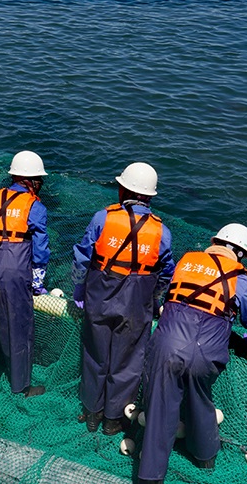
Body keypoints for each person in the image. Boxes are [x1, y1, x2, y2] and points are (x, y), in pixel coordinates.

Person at [137, 223, 247, 482]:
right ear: (241, 254)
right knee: (200, 400)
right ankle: (205, 457)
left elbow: (168, 297)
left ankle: (149, 476)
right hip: (205, 353)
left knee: (159, 408)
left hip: (165, 345)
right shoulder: (240, 279)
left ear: (215, 242)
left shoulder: (186, 263)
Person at [72, 162, 174, 435]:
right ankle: (114, 419)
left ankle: (92, 412)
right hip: (136, 304)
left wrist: (79, 292)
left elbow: (82, 259)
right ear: (150, 197)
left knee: (95, 355)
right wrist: (153, 299)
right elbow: (166, 273)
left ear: (122, 189)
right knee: (127, 362)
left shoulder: (102, 218)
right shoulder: (161, 231)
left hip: (100, 297)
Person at [0, 150, 50, 397]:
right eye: (39, 180)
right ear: (30, 181)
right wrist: (37, 282)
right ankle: (21, 386)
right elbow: (40, 248)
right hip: (11, 266)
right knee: (18, 325)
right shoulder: (34, 207)